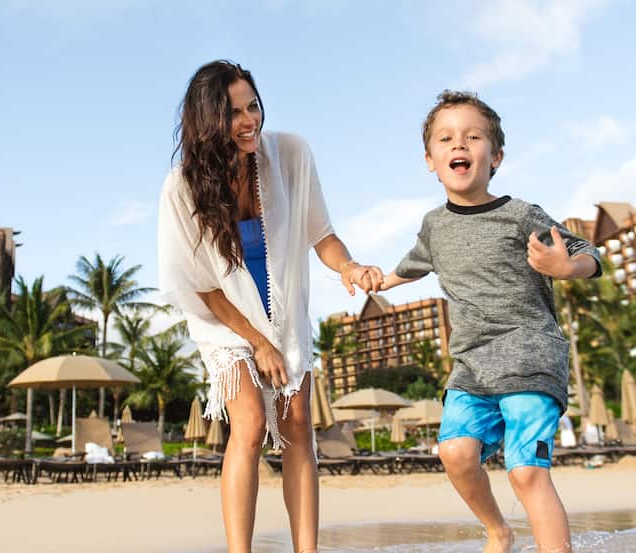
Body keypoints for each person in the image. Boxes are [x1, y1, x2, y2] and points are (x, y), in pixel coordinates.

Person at [157, 60, 382, 553]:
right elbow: (200, 286)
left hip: (283, 309)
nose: (248, 121)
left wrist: (347, 267)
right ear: (207, 122)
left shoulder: (291, 153)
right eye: (233, 113)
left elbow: (321, 232)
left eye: (252, 106)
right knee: (253, 422)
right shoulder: (182, 186)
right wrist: (256, 342)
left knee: (298, 422)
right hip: (224, 318)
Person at [379, 90, 600, 553]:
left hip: (530, 356)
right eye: (446, 138)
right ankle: (499, 529)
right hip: (472, 365)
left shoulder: (521, 215)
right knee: (455, 452)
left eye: (473, 137)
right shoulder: (434, 225)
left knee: (526, 471)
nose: (459, 145)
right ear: (430, 160)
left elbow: (589, 253)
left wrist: (565, 267)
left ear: (495, 156)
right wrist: (376, 280)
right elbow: (411, 266)